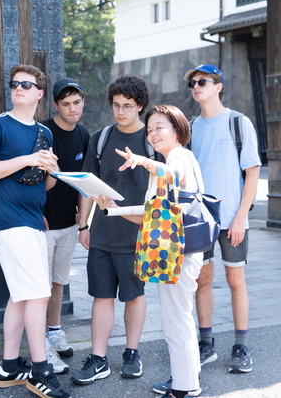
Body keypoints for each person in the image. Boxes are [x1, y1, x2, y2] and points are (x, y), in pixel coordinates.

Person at [0, 64, 70, 398]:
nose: (19, 88)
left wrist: (53, 170)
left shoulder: (46, 133)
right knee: (39, 293)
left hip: (32, 220)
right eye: (15, 84)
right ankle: (41, 370)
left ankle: (9, 366)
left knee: (21, 294)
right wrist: (28, 158)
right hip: (9, 221)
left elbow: (44, 185)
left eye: (27, 85)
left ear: (39, 94)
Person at [94, 105, 204, 398]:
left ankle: (185, 387)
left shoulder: (178, 156)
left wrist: (143, 161)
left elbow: (174, 174)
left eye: (160, 127)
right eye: (150, 129)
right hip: (179, 250)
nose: (153, 133)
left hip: (178, 253)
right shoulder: (167, 161)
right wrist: (114, 209)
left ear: (178, 130)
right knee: (179, 315)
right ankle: (186, 377)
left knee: (175, 317)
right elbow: (149, 215)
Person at [70, 75, 152, 386]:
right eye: (116, 106)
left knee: (134, 295)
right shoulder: (101, 138)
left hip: (137, 235)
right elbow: (87, 183)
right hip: (103, 233)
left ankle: (132, 352)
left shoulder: (151, 140)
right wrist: (83, 225)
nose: (120, 112)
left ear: (140, 106)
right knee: (101, 296)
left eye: (127, 106)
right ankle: (99, 358)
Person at [183, 64, 261, 374]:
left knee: (235, 280)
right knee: (202, 280)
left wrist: (242, 216)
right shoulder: (190, 128)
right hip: (201, 219)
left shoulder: (239, 123)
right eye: (193, 83)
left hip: (231, 219)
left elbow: (252, 172)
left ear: (219, 86)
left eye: (203, 81)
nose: (196, 87)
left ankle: (241, 345)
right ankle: (206, 344)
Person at [40, 78, 91, 374]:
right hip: (42, 224)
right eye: (66, 103)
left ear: (82, 102)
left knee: (59, 281)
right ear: (56, 105)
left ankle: (55, 331)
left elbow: (84, 184)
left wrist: (83, 223)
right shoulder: (44, 132)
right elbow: (31, 177)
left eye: (76, 102)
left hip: (68, 225)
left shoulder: (83, 134)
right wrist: (35, 212)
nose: (72, 108)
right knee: (40, 286)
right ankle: (41, 346)